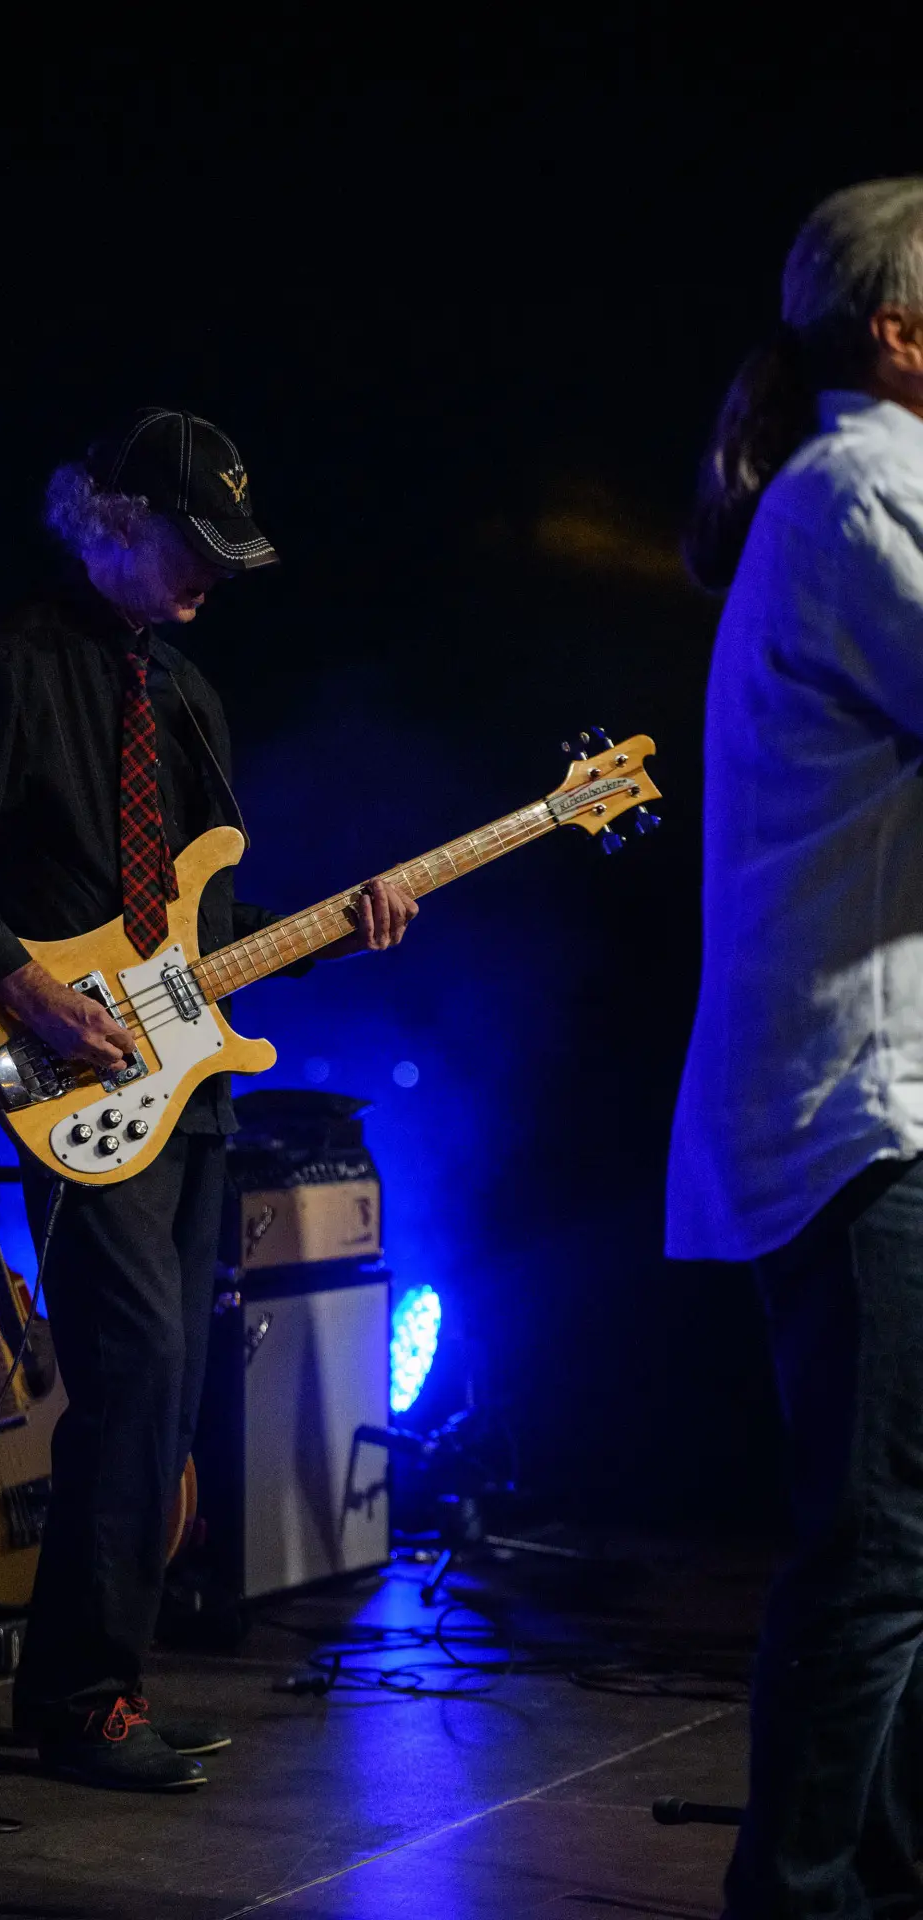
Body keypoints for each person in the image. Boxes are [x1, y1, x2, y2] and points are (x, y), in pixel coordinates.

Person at [0, 407, 417, 1790]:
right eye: (195, 546)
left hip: (187, 1090)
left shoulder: (187, 696)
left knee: (166, 1389)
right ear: (112, 523)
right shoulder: (16, 662)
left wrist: (341, 929)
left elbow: (200, 939)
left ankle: (95, 1687)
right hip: (73, 1077)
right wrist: (23, 985)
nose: (215, 576)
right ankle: (82, 1704)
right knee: (135, 1365)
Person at [668, 180, 923, 1916]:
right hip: (859, 1117)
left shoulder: (863, 491)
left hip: (871, 1110)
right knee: (878, 1553)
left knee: (901, 1550)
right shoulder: (857, 495)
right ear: (901, 336)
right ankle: (805, 1896)